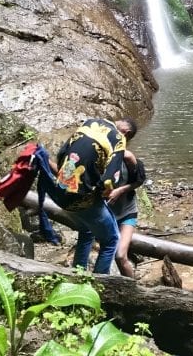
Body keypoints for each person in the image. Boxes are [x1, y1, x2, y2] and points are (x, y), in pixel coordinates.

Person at [53, 116, 127, 274]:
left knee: (86, 231)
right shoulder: (118, 138)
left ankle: (78, 275)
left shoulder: (88, 123)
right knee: (111, 240)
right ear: (125, 132)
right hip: (82, 199)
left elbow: (61, 154)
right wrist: (103, 193)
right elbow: (110, 180)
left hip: (59, 192)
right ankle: (100, 285)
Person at [106, 117, 145, 277]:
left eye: (116, 128)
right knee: (106, 253)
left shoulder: (128, 157)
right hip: (106, 212)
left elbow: (139, 180)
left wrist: (120, 190)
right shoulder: (104, 151)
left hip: (127, 212)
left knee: (120, 255)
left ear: (125, 133)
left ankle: (136, 292)